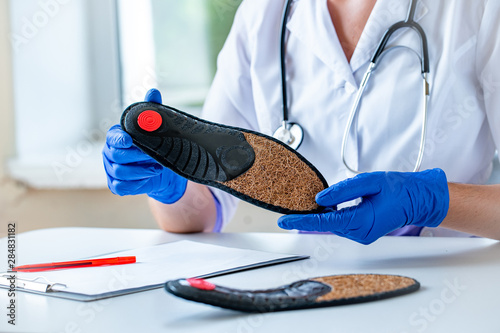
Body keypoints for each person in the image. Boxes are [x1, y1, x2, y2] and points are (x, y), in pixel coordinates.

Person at [103, 0, 500, 244]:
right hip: (309, 291)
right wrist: (168, 184)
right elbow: (203, 211)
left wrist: (433, 200)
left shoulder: (478, 9)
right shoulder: (264, 16)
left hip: (449, 287)